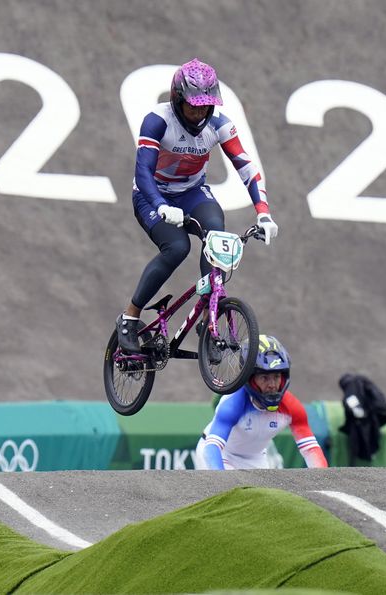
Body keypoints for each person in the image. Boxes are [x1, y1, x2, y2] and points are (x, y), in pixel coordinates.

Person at [115, 58, 279, 352]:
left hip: (192, 192)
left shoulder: (219, 126)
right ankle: (130, 316)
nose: (199, 111)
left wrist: (263, 213)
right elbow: (142, 172)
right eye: (193, 105)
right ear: (177, 99)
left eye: (205, 105)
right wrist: (160, 205)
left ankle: (209, 317)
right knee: (178, 248)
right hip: (152, 194)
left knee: (217, 234)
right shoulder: (157, 120)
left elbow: (246, 168)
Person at [195, 335, 328, 470]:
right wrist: (221, 481)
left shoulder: (291, 406)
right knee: (232, 488)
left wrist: (323, 480)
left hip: (256, 458)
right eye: (264, 377)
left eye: (276, 377)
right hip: (220, 453)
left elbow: (310, 448)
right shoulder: (234, 403)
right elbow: (212, 447)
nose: (272, 385)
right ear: (249, 378)